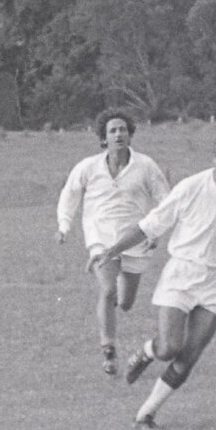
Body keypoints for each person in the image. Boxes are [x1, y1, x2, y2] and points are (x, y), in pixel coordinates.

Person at [100, 125, 216, 427]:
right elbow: (151, 224)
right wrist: (113, 250)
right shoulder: (191, 187)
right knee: (169, 348)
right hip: (182, 274)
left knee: (189, 356)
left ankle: (146, 413)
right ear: (214, 156)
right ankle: (148, 351)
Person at [57, 111, 169, 375]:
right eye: (113, 130)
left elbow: (166, 199)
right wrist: (64, 226)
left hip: (136, 239)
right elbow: (70, 195)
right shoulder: (88, 167)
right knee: (108, 290)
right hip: (100, 238)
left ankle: (113, 302)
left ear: (130, 134)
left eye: (123, 129)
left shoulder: (146, 166)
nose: (119, 134)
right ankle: (108, 350)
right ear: (103, 138)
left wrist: (156, 232)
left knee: (126, 302)